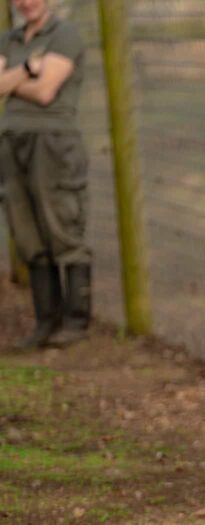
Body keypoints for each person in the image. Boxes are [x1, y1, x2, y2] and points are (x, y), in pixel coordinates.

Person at [0, 0, 89, 349]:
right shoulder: (9, 39)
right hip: (10, 142)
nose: (27, 2)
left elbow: (46, 91)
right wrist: (29, 68)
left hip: (53, 142)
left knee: (61, 225)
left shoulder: (65, 35)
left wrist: (12, 79)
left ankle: (76, 320)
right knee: (27, 231)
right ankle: (45, 322)